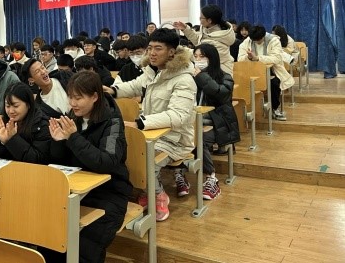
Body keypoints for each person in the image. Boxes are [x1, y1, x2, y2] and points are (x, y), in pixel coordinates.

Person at [108, 28, 196, 221]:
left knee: (145, 162)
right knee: (121, 154)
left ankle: (158, 195)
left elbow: (177, 116)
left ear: (171, 52)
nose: (152, 53)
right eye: (150, 48)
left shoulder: (184, 79)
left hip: (174, 139)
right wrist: (112, 91)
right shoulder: (154, 71)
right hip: (150, 134)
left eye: (158, 48)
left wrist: (140, 123)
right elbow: (134, 86)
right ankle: (147, 191)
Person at [47, 70, 131, 263]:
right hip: (76, 190)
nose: (72, 103)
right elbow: (59, 160)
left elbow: (106, 162)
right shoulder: (72, 116)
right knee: (51, 237)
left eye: (78, 98)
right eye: (70, 97)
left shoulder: (112, 122)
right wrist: (58, 141)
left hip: (108, 192)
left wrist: (73, 137)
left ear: (94, 97)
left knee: (85, 247)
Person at [191, 44, 240, 199]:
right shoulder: (189, 77)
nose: (198, 60)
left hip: (217, 123)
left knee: (199, 139)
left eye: (202, 57)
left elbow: (220, 93)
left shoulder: (225, 77)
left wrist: (201, 76)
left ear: (212, 59)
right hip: (193, 121)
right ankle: (179, 175)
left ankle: (211, 177)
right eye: (195, 56)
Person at [238, 25, 295, 120]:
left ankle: (274, 109)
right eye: (254, 40)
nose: (257, 42)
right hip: (251, 72)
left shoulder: (274, 41)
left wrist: (258, 58)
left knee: (274, 83)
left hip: (271, 71)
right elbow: (240, 59)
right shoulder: (247, 41)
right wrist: (248, 57)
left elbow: (276, 58)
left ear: (263, 36)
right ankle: (246, 110)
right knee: (240, 82)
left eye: (259, 40)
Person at [0, 82, 51, 164]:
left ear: (28, 105)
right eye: (7, 106)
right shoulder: (6, 123)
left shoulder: (41, 124)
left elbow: (38, 161)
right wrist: (1, 142)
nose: (11, 111)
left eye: (16, 106)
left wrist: (12, 139)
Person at [174, 4, 235, 76]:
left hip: (220, 74)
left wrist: (179, 49)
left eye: (201, 18)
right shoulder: (208, 30)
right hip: (209, 71)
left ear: (209, 20)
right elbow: (198, 40)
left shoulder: (219, 38)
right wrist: (185, 29)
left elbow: (201, 55)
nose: (199, 19)